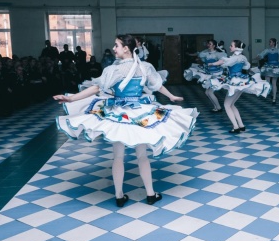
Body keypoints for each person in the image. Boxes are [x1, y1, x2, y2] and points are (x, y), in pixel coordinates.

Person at [54, 34, 198, 207]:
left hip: (119, 114)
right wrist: (171, 96)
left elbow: (96, 88)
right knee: (142, 155)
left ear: (126, 48)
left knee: (118, 156)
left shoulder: (114, 69)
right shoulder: (144, 67)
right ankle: (150, 194)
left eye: (116, 45)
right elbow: (157, 85)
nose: (114, 48)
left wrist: (71, 98)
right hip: (140, 113)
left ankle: (119, 196)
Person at [207, 40, 270, 133]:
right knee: (231, 105)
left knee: (226, 105)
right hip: (241, 81)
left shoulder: (234, 58)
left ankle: (236, 127)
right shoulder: (242, 57)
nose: (229, 47)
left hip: (234, 82)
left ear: (236, 48)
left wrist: (212, 63)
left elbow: (224, 62)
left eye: (231, 45)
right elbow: (247, 66)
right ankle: (241, 125)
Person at [184, 40, 228, 112]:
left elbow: (222, 62)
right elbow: (199, 56)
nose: (208, 45)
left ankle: (219, 107)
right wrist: (193, 56)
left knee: (210, 92)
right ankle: (216, 107)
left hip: (217, 75)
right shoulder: (206, 53)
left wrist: (213, 64)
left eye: (210, 44)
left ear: (214, 45)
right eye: (208, 44)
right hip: (209, 73)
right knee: (207, 92)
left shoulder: (218, 54)